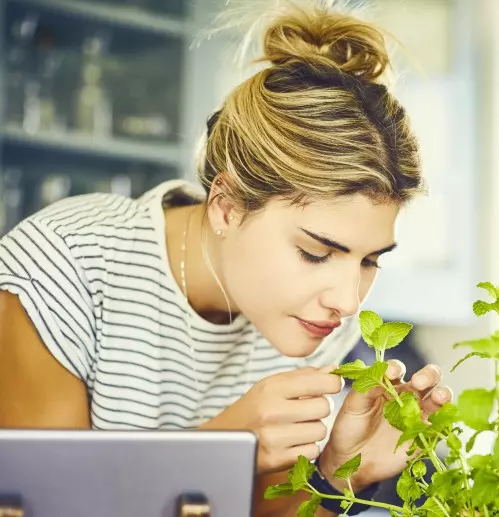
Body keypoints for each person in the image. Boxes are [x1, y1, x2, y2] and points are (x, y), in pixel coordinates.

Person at [0, 3, 452, 516]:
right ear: (226, 206)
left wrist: (340, 473)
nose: (347, 302)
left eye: (370, 261)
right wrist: (222, 447)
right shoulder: (66, 265)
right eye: (315, 252)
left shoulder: (315, 326)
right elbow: (43, 506)